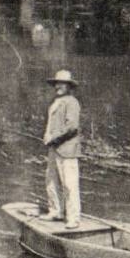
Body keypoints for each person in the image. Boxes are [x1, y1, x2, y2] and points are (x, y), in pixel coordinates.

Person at [42, 69, 81, 231]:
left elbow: (71, 127)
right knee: (51, 181)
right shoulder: (56, 102)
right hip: (54, 148)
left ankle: (73, 219)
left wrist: (54, 138)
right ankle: (56, 211)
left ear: (69, 86)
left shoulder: (72, 102)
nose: (58, 86)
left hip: (67, 149)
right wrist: (47, 136)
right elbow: (52, 125)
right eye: (57, 83)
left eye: (62, 84)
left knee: (69, 185)